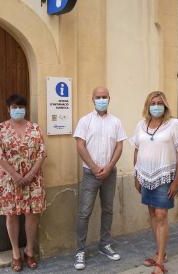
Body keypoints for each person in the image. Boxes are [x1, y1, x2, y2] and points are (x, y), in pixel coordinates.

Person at [0, 95, 47, 272]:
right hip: (8, 181)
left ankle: (29, 251)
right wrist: (14, 175)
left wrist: (29, 175)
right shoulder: (0, 129)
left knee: (31, 215)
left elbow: (41, 154)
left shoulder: (34, 128)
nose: (18, 110)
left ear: (25, 108)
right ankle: (15, 253)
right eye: (14, 107)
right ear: (9, 109)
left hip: (33, 180)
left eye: (21, 106)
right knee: (12, 215)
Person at [131, 91, 178, 274]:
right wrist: (136, 175)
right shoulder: (141, 125)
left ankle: (160, 260)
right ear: (147, 106)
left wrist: (177, 180)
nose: (156, 106)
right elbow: (137, 151)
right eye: (153, 103)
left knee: (161, 215)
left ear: (165, 105)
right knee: (153, 215)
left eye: (159, 102)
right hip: (145, 176)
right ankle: (159, 252)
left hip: (164, 176)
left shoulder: (174, 124)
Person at [73, 86, 127, 270]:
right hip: (91, 173)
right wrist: (95, 167)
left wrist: (109, 166)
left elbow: (120, 146)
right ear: (93, 99)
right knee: (84, 212)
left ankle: (104, 244)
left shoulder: (116, 122)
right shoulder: (85, 121)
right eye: (98, 97)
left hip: (110, 174)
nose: (101, 100)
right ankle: (80, 250)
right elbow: (80, 145)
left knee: (108, 210)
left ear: (109, 99)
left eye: (104, 97)